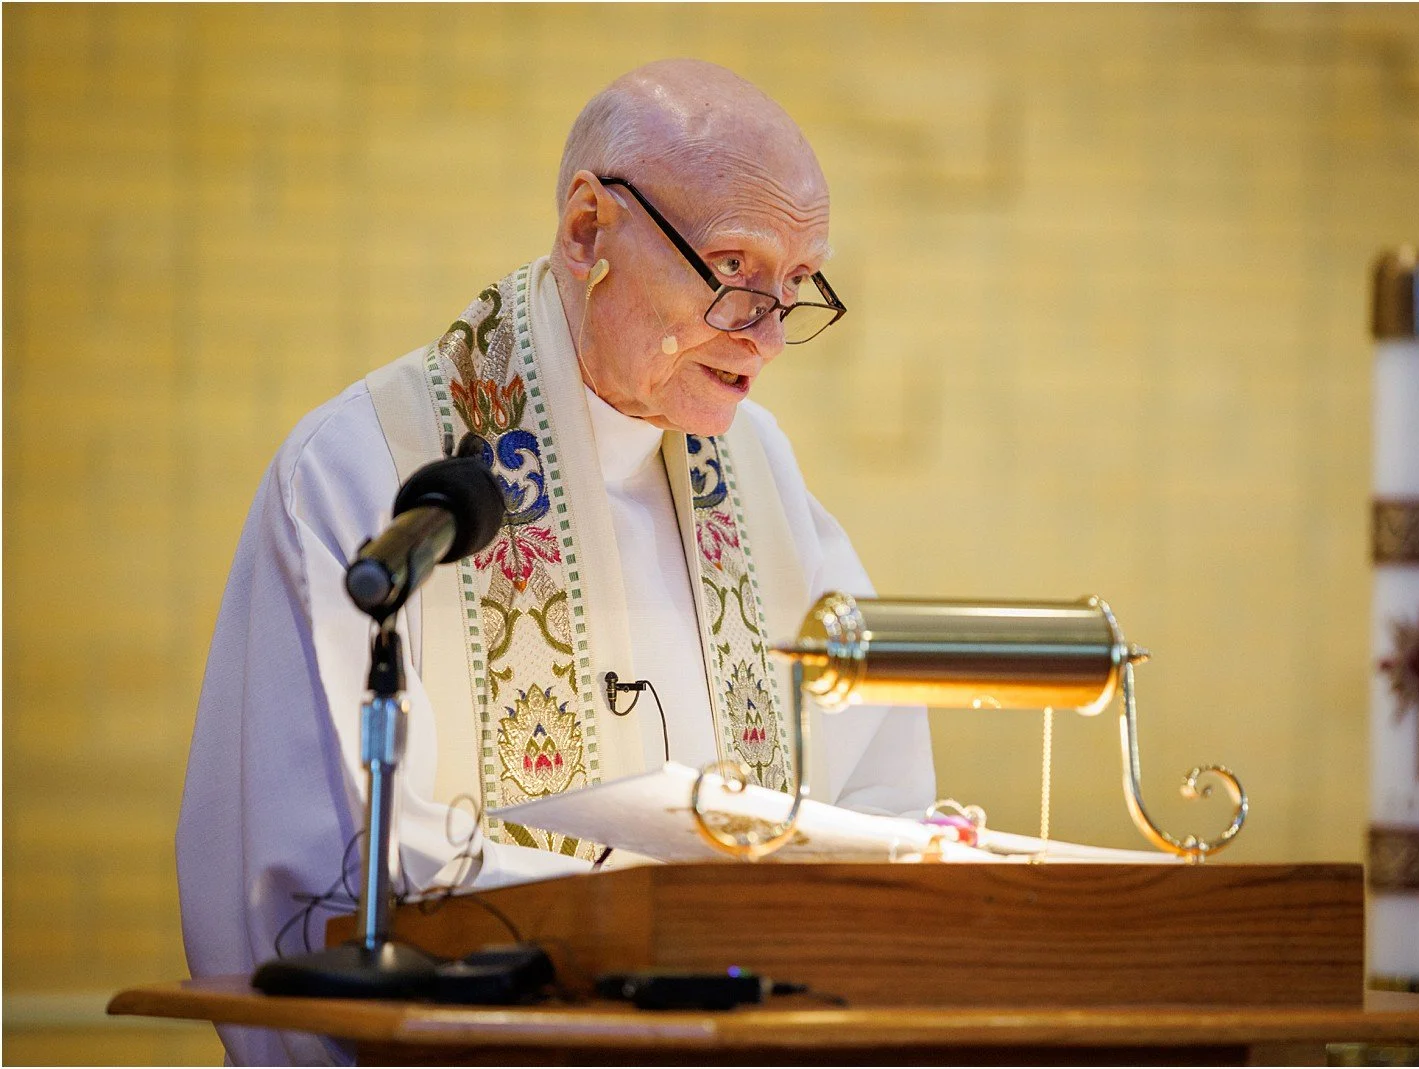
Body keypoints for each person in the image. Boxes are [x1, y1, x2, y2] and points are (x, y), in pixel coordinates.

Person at [177, 59, 936, 1065]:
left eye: (794, 287)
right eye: (734, 269)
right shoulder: (373, 467)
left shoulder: (763, 480)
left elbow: (876, 783)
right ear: (590, 230)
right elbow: (328, 864)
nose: (767, 336)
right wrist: (653, 932)